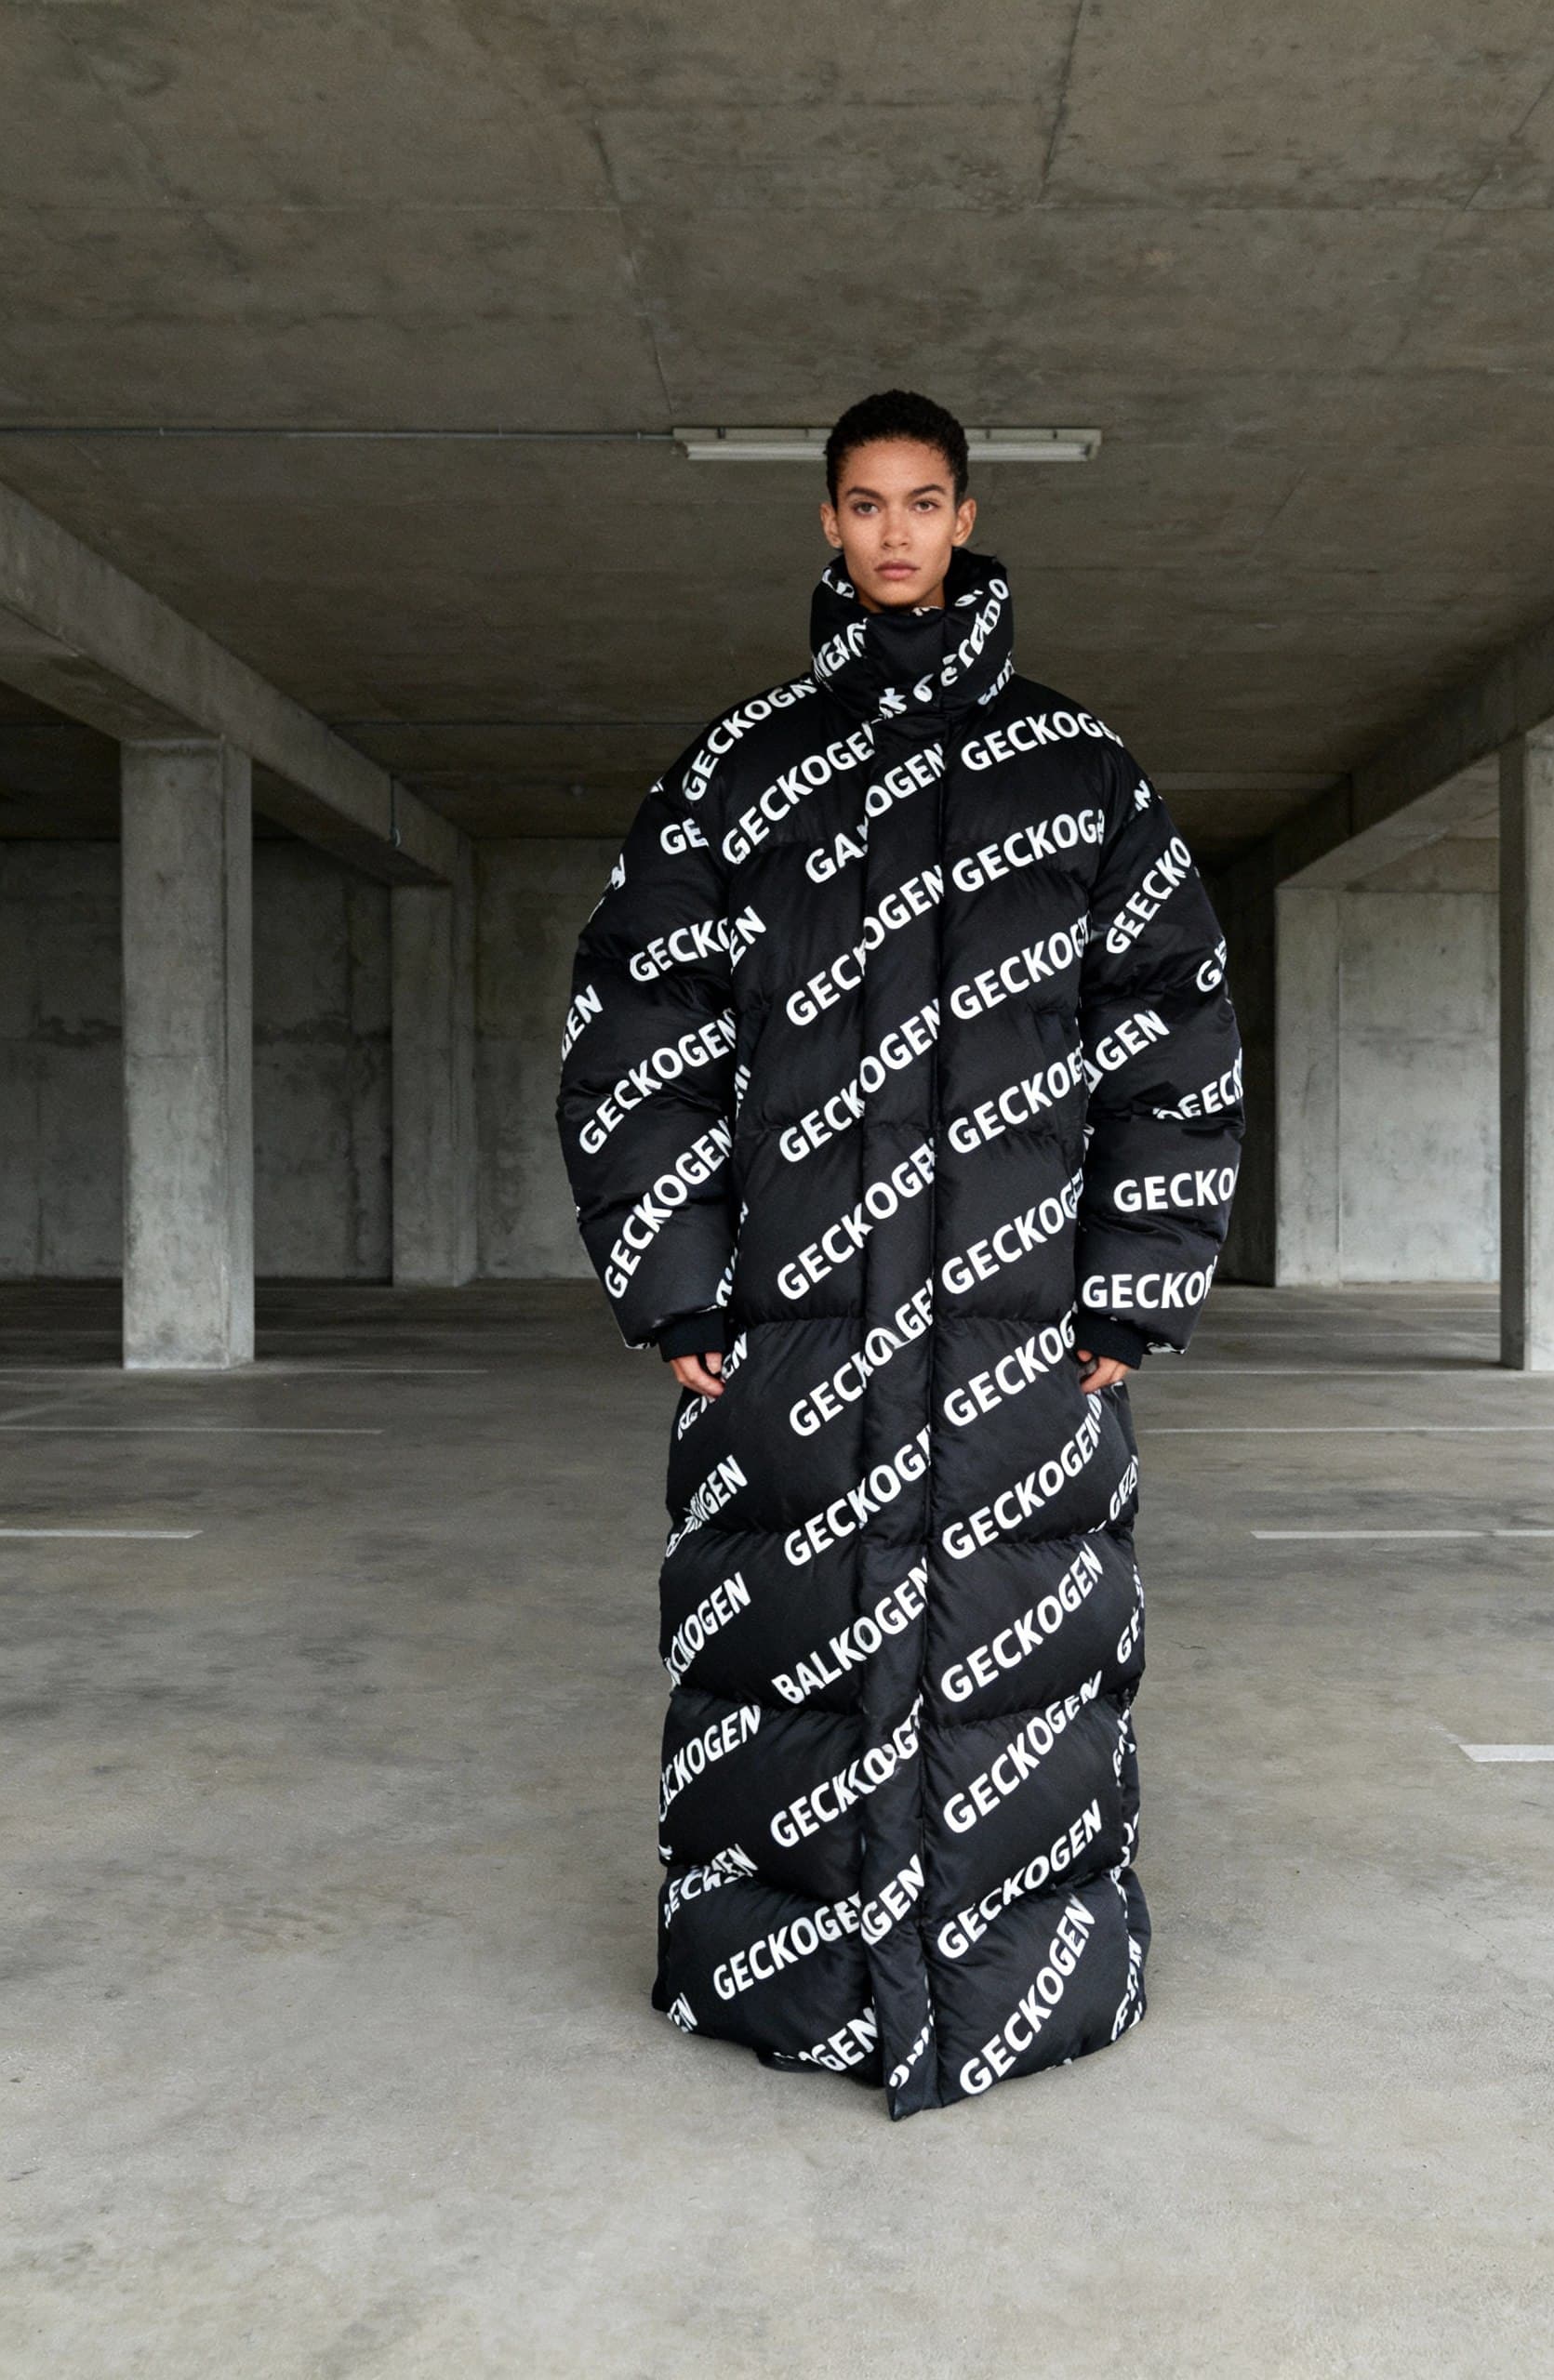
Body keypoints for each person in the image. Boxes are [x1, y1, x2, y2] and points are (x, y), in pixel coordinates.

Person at [556, 389, 1242, 2119]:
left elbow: (1177, 1043)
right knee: (788, 1657)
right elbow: (641, 1037)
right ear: (826, 522)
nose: (891, 535)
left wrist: (1131, 1295)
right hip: (797, 1345)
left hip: (1012, 1348)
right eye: (862, 505)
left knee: (1014, 1661)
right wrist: (679, 1286)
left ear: (967, 513)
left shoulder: (1080, 779)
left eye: (922, 504)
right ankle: (795, 1985)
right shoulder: (737, 775)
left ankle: (1013, 1986)